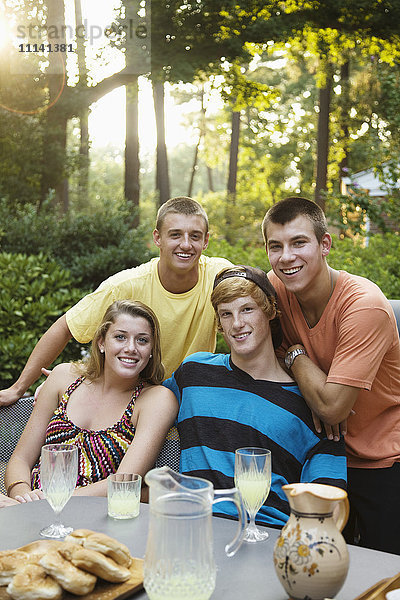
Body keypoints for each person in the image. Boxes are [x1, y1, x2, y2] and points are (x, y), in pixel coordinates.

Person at [262, 196, 400, 553]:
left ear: (325, 245)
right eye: (275, 246)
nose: (286, 257)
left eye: (299, 243)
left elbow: (333, 407)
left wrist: (293, 354)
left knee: (379, 578)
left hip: (380, 460)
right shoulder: (275, 292)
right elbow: (246, 336)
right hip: (317, 456)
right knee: (309, 569)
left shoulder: (363, 305)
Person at [0, 197, 231, 407]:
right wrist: (17, 389)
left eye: (195, 236)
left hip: (189, 399)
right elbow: (65, 326)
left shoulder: (219, 276)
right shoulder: (125, 286)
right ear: (157, 238)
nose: (186, 244)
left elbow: (260, 293)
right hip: (130, 399)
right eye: (175, 234)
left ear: (206, 241)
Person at [163, 265, 346, 527]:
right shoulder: (194, 372)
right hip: (192, 526)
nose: (237, 324)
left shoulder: (310, 401)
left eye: (247, 309)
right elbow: (140, 402)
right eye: (226, 314)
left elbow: (327, 502)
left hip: (266, 533)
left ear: (270, 311)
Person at [4, 300, 177, 503]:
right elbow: (20, 459)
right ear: (101, 342)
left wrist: (48, 503)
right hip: (32, 509)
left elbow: (122, 483)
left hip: (97, 519)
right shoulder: (63, 377)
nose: (131, 348)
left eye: (142, 340)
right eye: (120, 337)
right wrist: (21, 497)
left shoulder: (155, 399)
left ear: (151, 350)